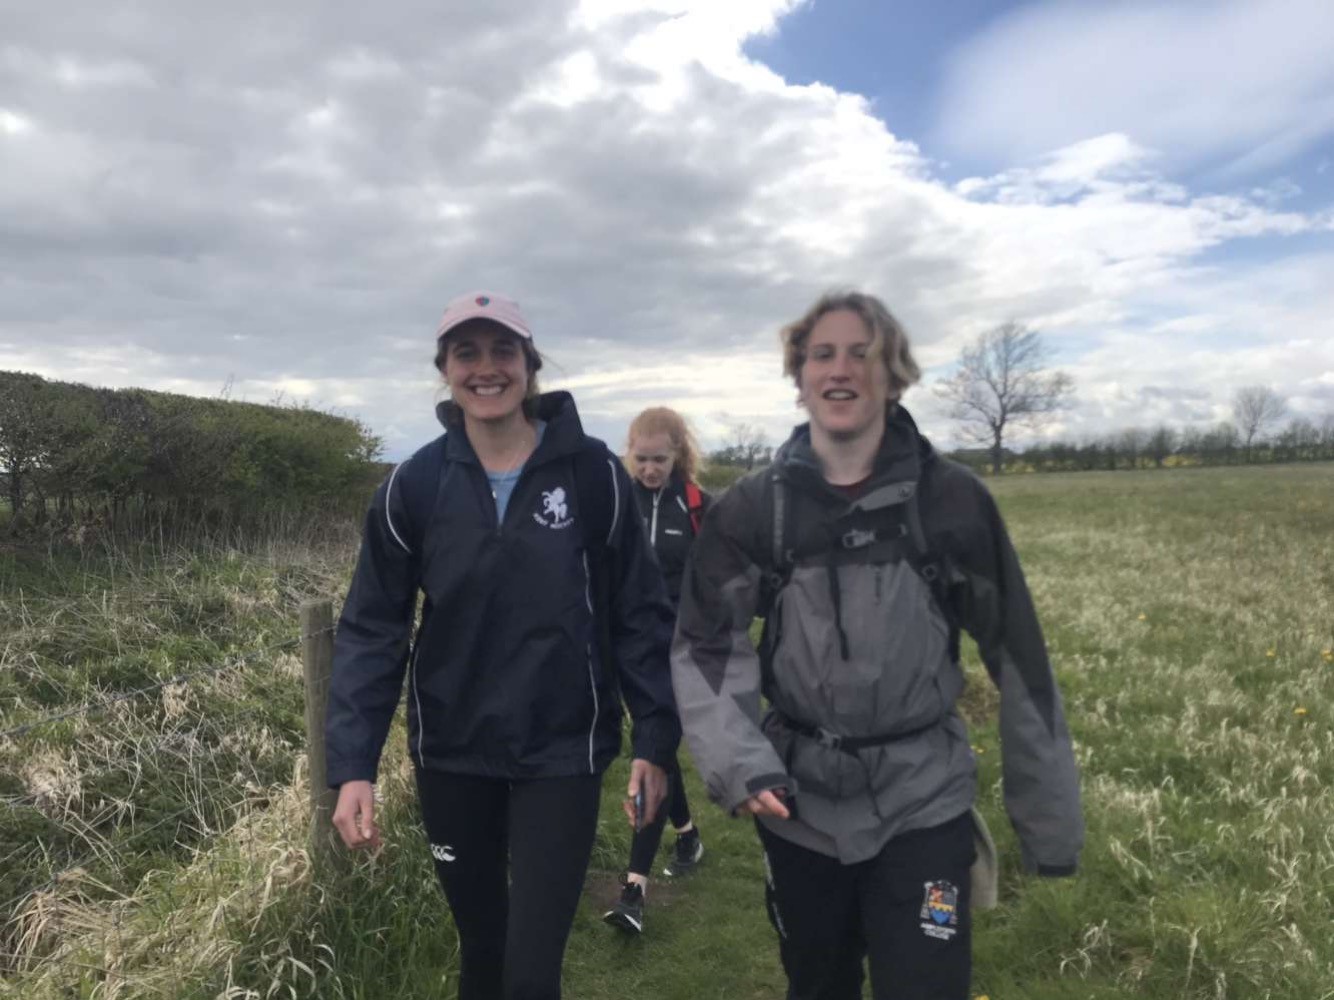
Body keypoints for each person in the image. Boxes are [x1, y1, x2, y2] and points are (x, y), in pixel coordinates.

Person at [670, 290, 1083, 1000]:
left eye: (863, 354)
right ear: (799, 377)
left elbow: (1020, 661)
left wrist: (1049, 827)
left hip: (925, 802)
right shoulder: (756, 509)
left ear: (895, 376)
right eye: (822, 354)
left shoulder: (953, 503)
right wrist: (740, 763)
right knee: (817, 984)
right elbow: (707, 643)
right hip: (799, 808)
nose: (841, 369)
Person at [325, 291, 681, 1000]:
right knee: (483, 952)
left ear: (529, 364)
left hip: (561, 753)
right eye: (467, 353)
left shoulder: (592, 476)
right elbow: (372, 628)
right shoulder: (413, 487)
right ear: (445, 370)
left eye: (502, 351)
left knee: (529, 972)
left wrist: (654, 738)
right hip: (453, 753)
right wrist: (353, 766)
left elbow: (639, 615)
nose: (485, 368)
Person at [603, 407, 712, 935]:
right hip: (625, 648)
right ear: (630, 453)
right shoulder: (615, 499)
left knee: (653, 748)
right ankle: (687, 835)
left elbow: (722, 577)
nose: (649, 469)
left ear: (678, 454)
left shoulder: (697, 506)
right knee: (656, 746)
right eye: (642, 458)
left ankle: (634, 891)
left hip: (678, 651)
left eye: (660, 459)